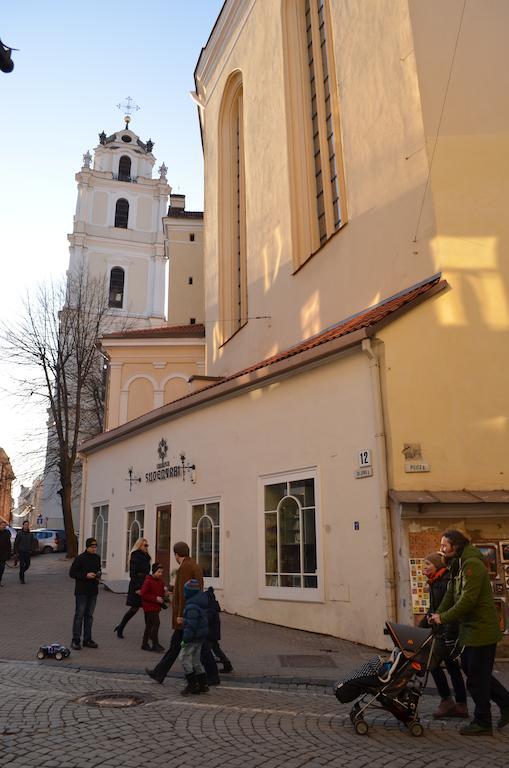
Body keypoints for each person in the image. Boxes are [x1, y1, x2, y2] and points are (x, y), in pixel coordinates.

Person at [430, 529, 509, 735]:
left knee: (477, 678)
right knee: (474, 674)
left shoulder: (471, 564)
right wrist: (437, 613)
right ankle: (506, 704)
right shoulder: (458, 564)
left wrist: (444, 617)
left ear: (455, 546)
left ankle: (483, 722)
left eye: (444, 546)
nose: (441, 549)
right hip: (470, 631)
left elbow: (468, 600)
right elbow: (450, 593)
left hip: (481, 630)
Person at [145, 541, 219, 685]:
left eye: (174, 554)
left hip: (187, 614)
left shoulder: (185, 567)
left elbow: (183, 593)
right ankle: (159, 673)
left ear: (177, 554)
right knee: (179, 646)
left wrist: (180, 614)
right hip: (194, 611)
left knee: (200, 646)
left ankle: (212, 676)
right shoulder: (194, 565)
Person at [420, 551, 467, 718]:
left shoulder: (443, 582)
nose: (424, 567)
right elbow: (434, 609)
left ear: (437, 565)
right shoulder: (435, 581)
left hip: (446, 631)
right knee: (452, 667)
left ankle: (448, 700)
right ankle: (461, 704)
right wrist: (423, 625)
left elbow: (445, 609)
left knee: (432, 662)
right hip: (443, 631)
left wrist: (447, 633)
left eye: (427, 564)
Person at [114, 537, 151, 638]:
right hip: (137, 584)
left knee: (147, 610)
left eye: (147, 545)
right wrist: (137, 588)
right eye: (145, 545)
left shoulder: (147, 556)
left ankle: (150, 633)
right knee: (134, 609)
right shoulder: (135, 555)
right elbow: (133, 573)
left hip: (145, 584)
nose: (147, 547)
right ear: (139, 545)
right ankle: (121, 627)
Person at [69, 537, 101, 650]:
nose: (94, 549)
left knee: (89, 616)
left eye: (95, 547)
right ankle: (75, 640)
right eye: (92, 547)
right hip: (82, 591)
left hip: (93, 591)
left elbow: (98, 569)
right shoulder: (80, 558)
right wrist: (85, 575)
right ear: (87, 547)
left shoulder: (97, 558)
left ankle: (87, 639)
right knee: (79, 615)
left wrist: (98, 574)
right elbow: (72, 573)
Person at [179, 578, 209, 695]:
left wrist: (185, 639)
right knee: (196, 660)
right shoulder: (200, 602)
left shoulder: (192, 606)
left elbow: (191, 626)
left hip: (193, 637)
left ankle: (192, 684)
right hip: (200, 637)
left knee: (184, 658)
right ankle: (203, 684)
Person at [139, 562, 166, 652]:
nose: (160, 574)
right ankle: (155, 644)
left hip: (156, 606)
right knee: (156, 623)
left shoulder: (161, 582)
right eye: (158, 572)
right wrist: (155, 598)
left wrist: (163, 598)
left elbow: (161, 594)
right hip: (149, 607)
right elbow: (143, 594)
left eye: (161, 572)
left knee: (149, 625)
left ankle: (144, 644)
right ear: (153, 571)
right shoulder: (148, 581)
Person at [206, 585, 233, 673]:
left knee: (206, 652)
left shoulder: (210, 609)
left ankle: (210, 669)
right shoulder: (213, 607)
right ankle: (227, 664)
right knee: (216, 650)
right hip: (214, 633)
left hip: (210, 634)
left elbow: (207, 620)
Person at [0, 519, 12, 586]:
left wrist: (9, 554)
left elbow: (8, 544)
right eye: (2, 525)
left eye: (4, 525)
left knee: (1, 570)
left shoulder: (7, 533)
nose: (3, 526)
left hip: (3, 555)